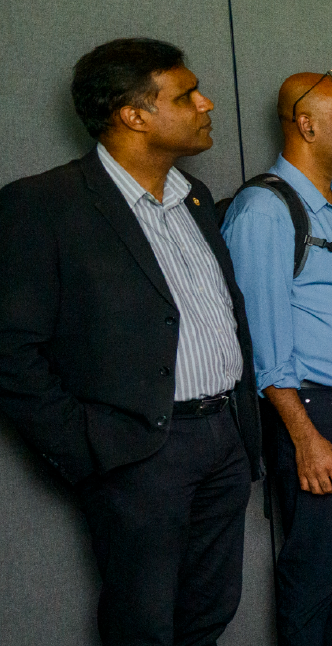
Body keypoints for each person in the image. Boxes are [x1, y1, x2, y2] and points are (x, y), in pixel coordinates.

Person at [0, 37, 260, 646]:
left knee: (210, 611)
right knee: (141, 624)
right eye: (187, 94)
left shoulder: (193, 197)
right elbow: (11, 349)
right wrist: (86, 447)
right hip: (140, 453)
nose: (207, 103)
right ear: (134, 114)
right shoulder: (44, 205)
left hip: (223, 440)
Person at [221, 70, 332, 646]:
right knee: (314, 572)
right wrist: (304, 435)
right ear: (307, 125)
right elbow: (263, 346)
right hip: (313, 415)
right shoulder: (264, 210)